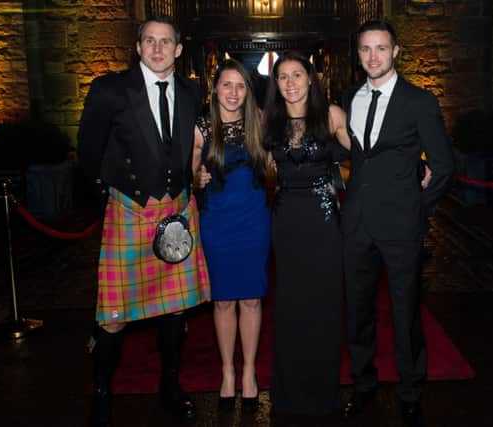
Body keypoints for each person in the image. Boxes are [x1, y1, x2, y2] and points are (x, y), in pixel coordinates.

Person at [77, 17, 210, 427]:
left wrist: (196, 176)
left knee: (175, 311)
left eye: (165, 41)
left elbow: (195, 145)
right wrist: (113, 198)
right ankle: (102, 393)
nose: (157, 48)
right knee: (114, 314)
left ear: (178, 49)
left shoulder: (191, 91)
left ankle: (169, 387)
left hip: (178, 211)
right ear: (137, 47)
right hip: (130, 210)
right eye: (149, 41)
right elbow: (88, 151)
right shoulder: (110, 89)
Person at [341, 20, 454, 426]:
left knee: (405, 311)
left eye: (381, 49)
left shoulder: (419, 101)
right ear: (358, 55)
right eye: (365, 50)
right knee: (358, 310)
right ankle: (364, 383)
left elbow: (442, 167)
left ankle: (410, 389)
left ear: (396, 52)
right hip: (355, 224)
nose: (373, 57)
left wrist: (416, 210)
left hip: (402, 226)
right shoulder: (349, 97)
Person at [263, 50, 351, 416]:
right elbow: (262, 168)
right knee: (290, 307)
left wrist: (412, 169)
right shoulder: (270, 121)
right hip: (286, 224)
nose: (290, 83)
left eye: (296, 75)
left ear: (310, 78)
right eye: (282, 77)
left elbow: (366, 158)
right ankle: (290, 393)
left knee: (325, 305)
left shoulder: (330, 115)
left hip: (324, 222)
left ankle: (324, 393)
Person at [193, 59, 270, 410]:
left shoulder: (261, 124)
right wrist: (195, 179)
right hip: (216, 223)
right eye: (227, 84)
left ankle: (249, 372)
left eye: (240, 86)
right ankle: (227, 373)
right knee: (223, 300)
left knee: (252, 299)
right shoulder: (201, 128)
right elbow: (186, 173)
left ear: (248, 92)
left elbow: (274, 167)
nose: (233, 92)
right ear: (215, 89)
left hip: (253, 220)